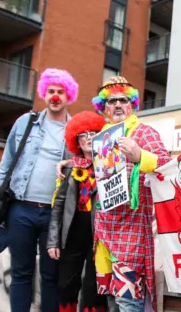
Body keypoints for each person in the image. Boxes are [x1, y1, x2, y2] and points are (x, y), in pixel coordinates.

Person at [0, 68, 78, 312]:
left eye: (60, 92)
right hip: (21, 209)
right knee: (21, 273)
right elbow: (7, 160)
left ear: (68, 96)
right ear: (44, 93)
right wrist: (0, 196)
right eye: (51, 91)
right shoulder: (26, 122)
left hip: (54, 215)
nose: (55, 96)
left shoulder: (75, 129)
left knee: (51, 276)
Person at [91, 76, 172, 312]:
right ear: (103, 107)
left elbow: (168, 166)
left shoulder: (144, 132)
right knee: (112, 300)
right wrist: (67, 163)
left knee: (128, 301)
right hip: (105, 233)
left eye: (123, 100)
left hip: (131, 232)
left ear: (131, 104)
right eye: (111, 101)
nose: (117, 105)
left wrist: (140, 156)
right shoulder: (101, 139)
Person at [47, 111, 109, 312]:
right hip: (72, 234)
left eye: (93, 133)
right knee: (66, 286)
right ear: (77, 140)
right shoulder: (69, 169)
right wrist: (53, 241)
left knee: (95, 289)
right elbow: (58, 206)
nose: (89, 138)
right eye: (84, 135)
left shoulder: (110, 165)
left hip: (98, 236)